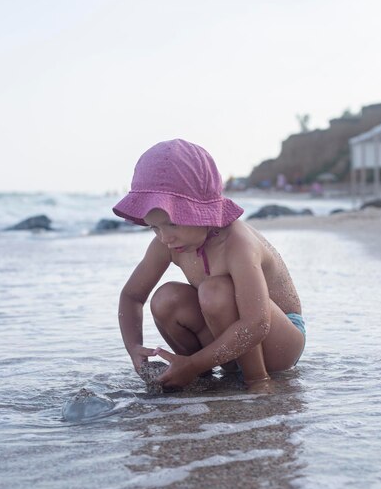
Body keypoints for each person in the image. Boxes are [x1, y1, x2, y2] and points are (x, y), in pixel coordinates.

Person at [113, 139, 305, 392]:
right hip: (229, 343)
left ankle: (257, 381)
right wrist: (134, 347)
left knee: (215, 290)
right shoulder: (167, 242)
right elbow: (132, 296)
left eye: (172, 223)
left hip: (278, 341)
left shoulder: (237, 243)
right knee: (165, 297)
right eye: (154, 227)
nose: (164, 237)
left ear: (199, 211)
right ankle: (198, 372)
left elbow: (257, 323)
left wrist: (255, 379)